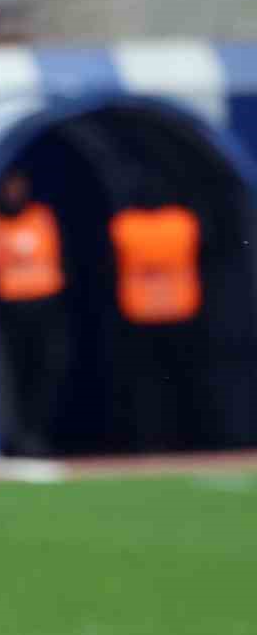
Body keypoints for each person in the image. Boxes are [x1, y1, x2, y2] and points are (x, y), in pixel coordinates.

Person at [0, 170, 68, 457]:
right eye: (9, 188)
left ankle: (40, 434)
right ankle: (18, 437)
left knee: (49, 372)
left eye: (19, 187)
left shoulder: (41, 217)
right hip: (12, 311)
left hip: (47, 307)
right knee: (15, 376)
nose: (14, 193)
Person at [109, 194, 204, 452]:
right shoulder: (183, 222)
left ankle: (152, 443)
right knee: (182, 384)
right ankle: (190, 439)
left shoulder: (125, 225)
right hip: (180, 312)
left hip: (140, 314)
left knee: (148, 389)